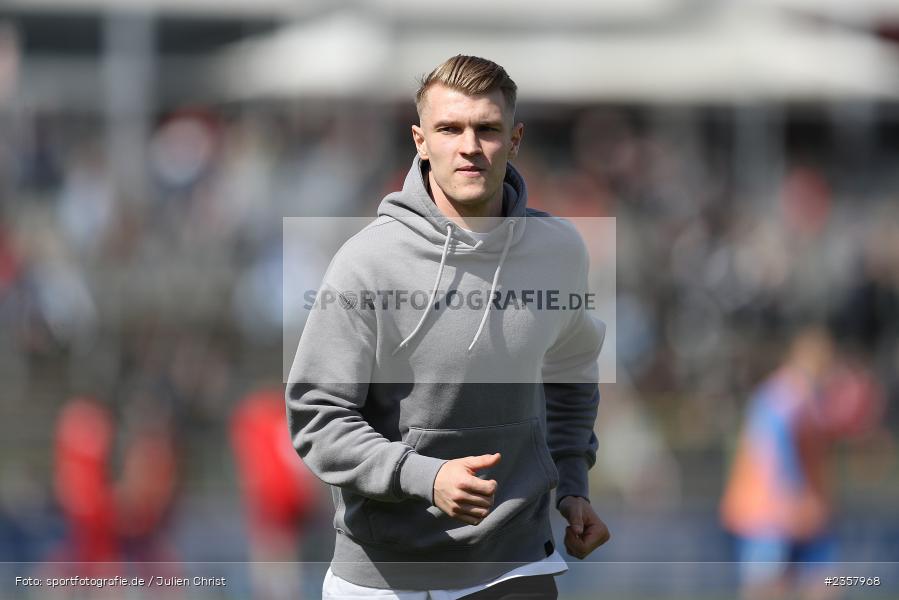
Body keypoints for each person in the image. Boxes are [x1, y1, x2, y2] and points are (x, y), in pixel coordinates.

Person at [287, 55, 610, 599]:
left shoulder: (559, 250)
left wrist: (572, 484)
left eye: (487, 129)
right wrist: (425, 477)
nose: (469, 146)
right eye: (449, 128)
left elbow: (572, 376)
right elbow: (317, 418)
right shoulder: (366, 262)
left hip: (518, 567)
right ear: (420, 140)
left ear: (515, 139)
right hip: (386, 577)